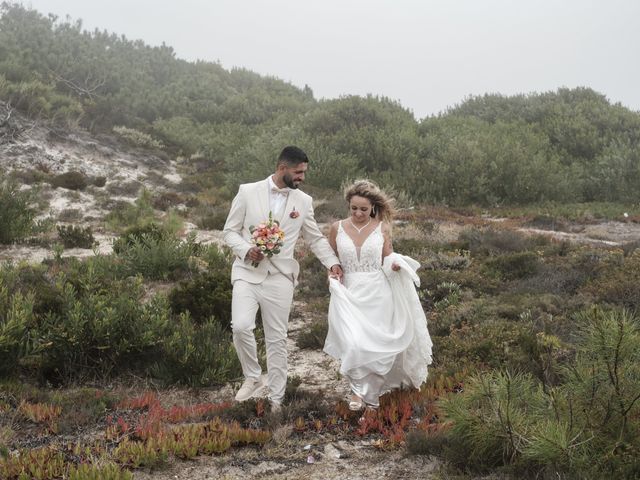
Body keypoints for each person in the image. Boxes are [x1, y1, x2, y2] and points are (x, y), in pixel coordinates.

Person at [223, 146, 343, 410]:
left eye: (304, 172)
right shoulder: (247, 191)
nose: (302, 177)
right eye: (298, 172)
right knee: (241, 327)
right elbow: (229, 232)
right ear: (282, 169)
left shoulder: (304, 201)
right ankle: (253, 377)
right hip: (247, 272)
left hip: (280, 277)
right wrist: (246, 250)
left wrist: (332, 262)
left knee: (277, 339)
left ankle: (276, 400)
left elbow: (314, 238)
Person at [323, 180, 432, 410]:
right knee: (353, 342)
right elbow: (331, 258)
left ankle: (368, 394)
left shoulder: (382, 227)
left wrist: (394, 264)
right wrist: (331, 273)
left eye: (363, 209)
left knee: (376, 347)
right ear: (348, 206)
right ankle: (357, 392)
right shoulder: (337, 228)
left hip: (377, 292)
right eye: (354, 208)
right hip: (349, 292)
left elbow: (388, 255)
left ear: (373, 206)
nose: (358, 213)